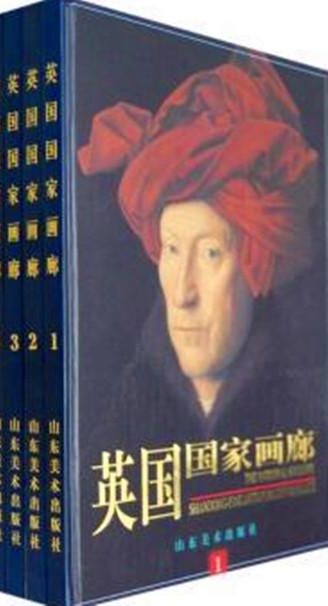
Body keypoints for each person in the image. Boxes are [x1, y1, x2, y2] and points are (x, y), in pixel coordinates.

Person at [77, 52, 328, 600]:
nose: (182, 292)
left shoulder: (313, 416)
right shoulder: (108, 427)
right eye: (171, 249)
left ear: (257, 261)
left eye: (211, 252)